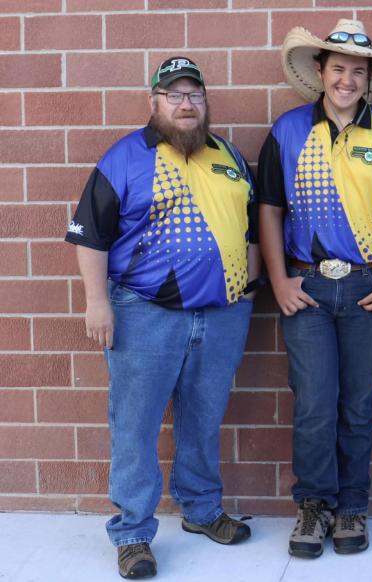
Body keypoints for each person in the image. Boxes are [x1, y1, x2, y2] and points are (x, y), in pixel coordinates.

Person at [66, 56, 260, 579]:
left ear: (205, 102)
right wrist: (97, 302)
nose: (185, 103)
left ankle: (201, 510)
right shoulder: (125, 157)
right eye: (173, 94)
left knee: (202, 417)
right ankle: (131, 533)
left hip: (220, 316)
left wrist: (247, 291)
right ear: (154, 103)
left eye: (194, 94)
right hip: (144, 314)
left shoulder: (228, 156)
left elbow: (249, 232)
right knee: (136, 424)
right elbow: (90, 234)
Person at [257, 20, 372, 558]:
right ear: (320, 72)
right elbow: (270, 210)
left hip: (369, 286)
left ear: (368, 78)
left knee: (357, 404)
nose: (346, 79)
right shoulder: (287, 130)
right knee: (314, 404)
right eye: (338, 68)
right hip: (305, 285)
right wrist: (278, 279)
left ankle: (351, 504)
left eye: (357, 70)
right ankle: (314, 505)